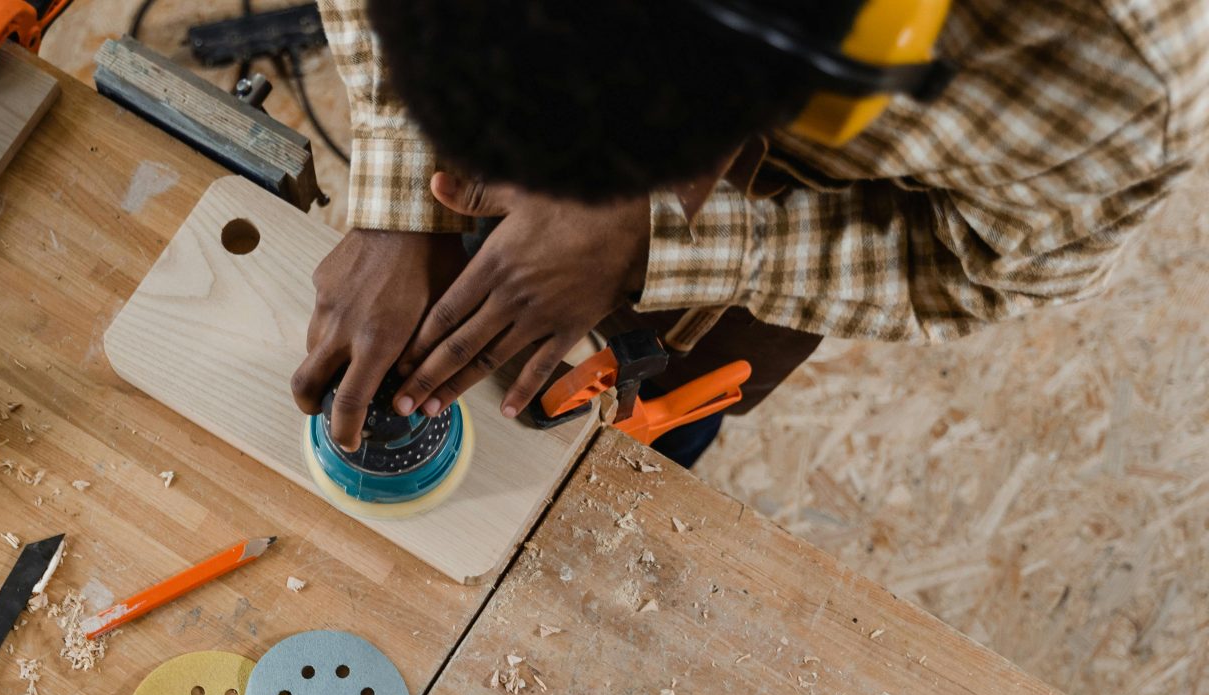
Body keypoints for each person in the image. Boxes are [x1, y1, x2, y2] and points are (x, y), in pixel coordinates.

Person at [291, 0, 1207, 466]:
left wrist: (661, 244)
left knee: (619, 453)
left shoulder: (1133, 69)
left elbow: (993, 262)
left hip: (777, 230)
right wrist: (404, 178)